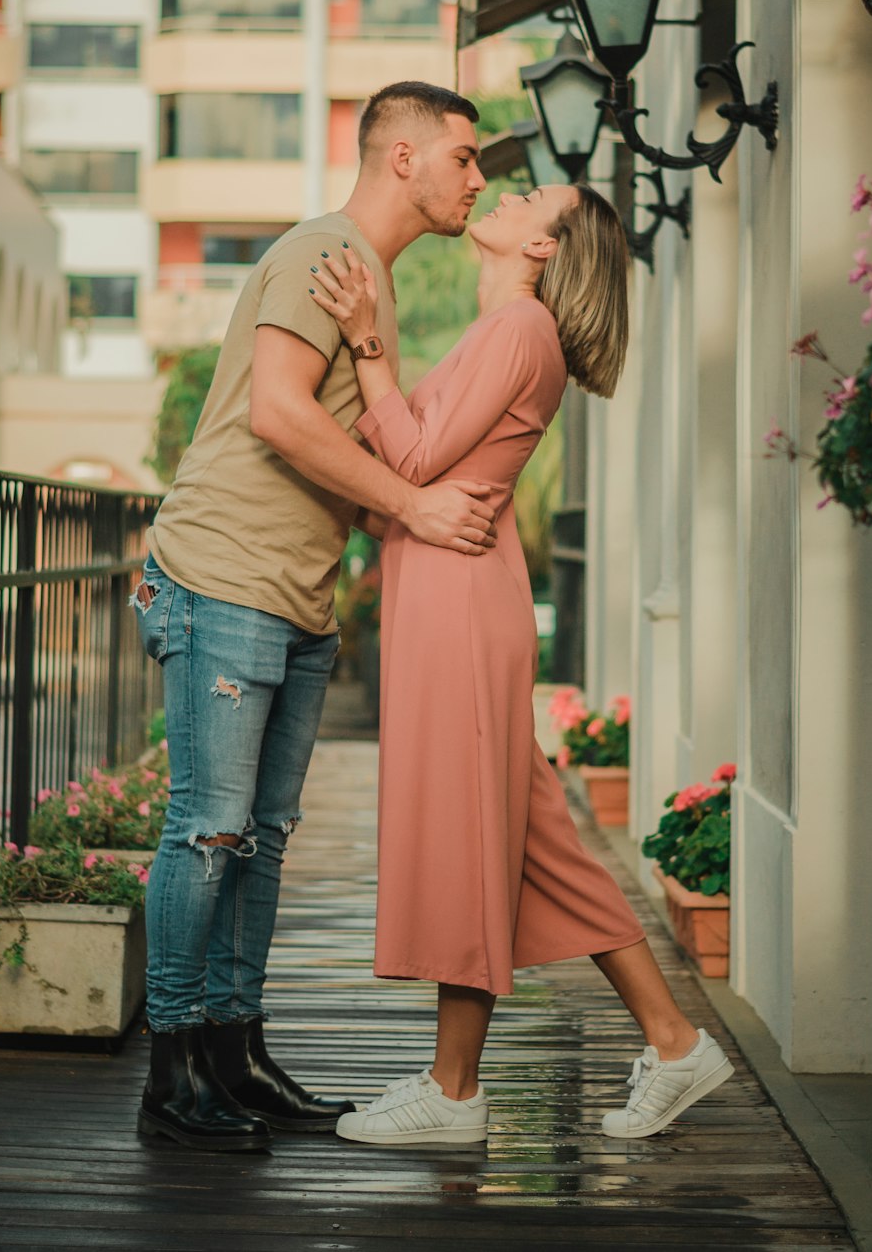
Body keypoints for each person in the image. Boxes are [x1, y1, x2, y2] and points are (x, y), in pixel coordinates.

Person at [308, 182, 735, 1146]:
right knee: (534, 843)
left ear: (544, 245)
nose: (510, 188)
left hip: (458, 609)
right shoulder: (507, 330)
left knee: (474, 835)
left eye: (537, 194)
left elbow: (409, 461)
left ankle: (455, 1093)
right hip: (458, 596)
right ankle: (673, 1044)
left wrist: (371, 345)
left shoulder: (516, 331)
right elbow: (409, 475)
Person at [133, 81, 499, 1153]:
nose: (476, 178)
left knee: (262, 838)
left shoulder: (367, 282)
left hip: (296, 591)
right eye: (464, 157)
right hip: (224, 573)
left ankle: (235, 1049)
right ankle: (173, 1068)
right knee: (206, 828)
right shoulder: (321, 253)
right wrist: (416, 507)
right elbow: (279, 412)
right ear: (402, 157)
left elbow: (371, 426)